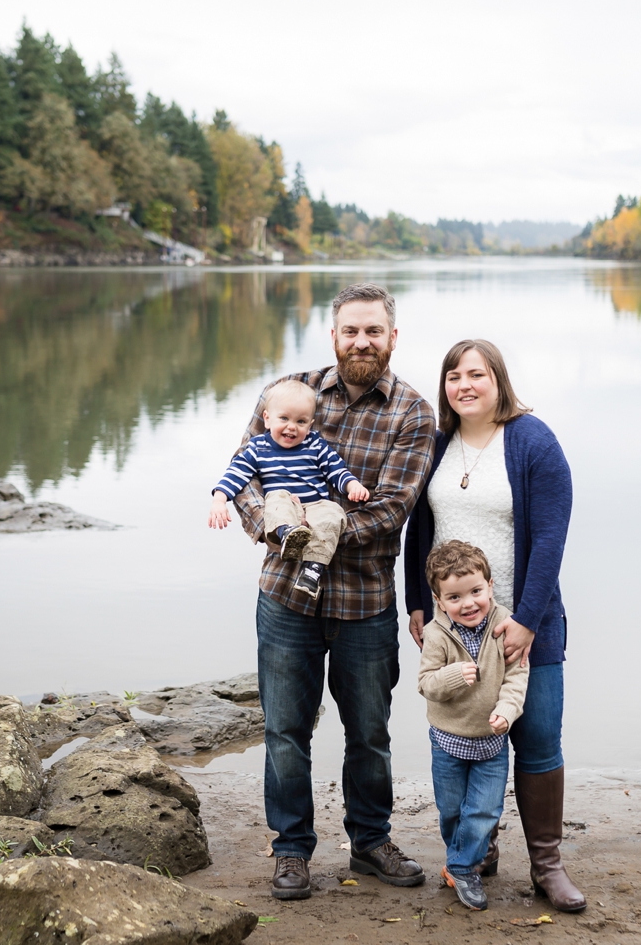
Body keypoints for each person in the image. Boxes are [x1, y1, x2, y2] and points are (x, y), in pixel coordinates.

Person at [227, 283, 437, 900]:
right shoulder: (288, 393)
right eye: (351, 331)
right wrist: (275, 529)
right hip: (285, 599)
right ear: (334, 335)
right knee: (284, 731)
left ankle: (371, 842)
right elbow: (245, 478)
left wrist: (319, 531)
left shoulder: (412, 413)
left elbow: (393, 510)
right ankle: (291, 850)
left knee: (369, 733)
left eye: (374, 331)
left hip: (365, 604)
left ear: (392, 337)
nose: (362, 342)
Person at [402, 338, 586, 912]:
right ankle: (477, 851)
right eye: (454, 376)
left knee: (537, 741)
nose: (465, 385)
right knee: (466, 737)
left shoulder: (532, 441)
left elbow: (551, 537)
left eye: (476, 374)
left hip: (525, 621)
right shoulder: (438, 444)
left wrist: (526, 619)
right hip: (456, 625)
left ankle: (547, 866)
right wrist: (417, 603)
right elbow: (419, 531)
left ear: (498, 380)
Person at [417, 540, 529, 912]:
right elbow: (426, 684)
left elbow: (517, 676)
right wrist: (453, 676)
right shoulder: (436, 634)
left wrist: (508, 710)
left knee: (484, 811)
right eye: (455, 597)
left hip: (491, 742)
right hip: (447, 742)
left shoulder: (504, 623)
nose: (468, 604)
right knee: (452, 810)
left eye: (476, 592)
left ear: (490, 586)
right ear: (438, 601)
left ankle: (462, 867)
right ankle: (461, 860)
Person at [210, 379, 371, 599]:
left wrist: (352, 485)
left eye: (301, 421)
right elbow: (237, 473)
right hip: (284, 505)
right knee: (276, 499)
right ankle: (287, 533)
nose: (292, 426)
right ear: (267, 419)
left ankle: (312, 571)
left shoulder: (315, 444)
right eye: (284, 418)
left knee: (333, 513)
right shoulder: (258, 447)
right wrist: (219, 499)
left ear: (310, 425)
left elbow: (335, 469)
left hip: (315, 506)